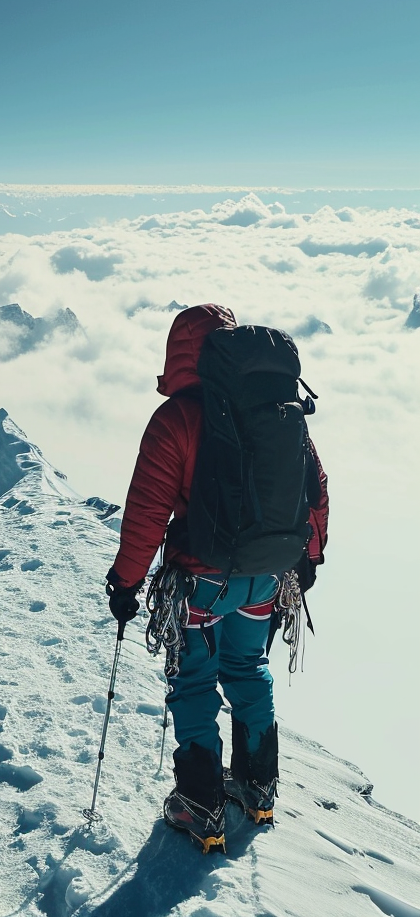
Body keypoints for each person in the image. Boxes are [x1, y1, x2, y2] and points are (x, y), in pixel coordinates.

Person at [104, 304, 328, 851]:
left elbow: (147, 514)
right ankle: (257, 784)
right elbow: (315, 488)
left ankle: (200, 802)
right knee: (249, 668)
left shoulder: (176, 420)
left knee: (197, 682)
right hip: (267, 577)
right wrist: (309, 559)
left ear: (179, 354)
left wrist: (126, 584)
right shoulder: (277, 408)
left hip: (201, 587)